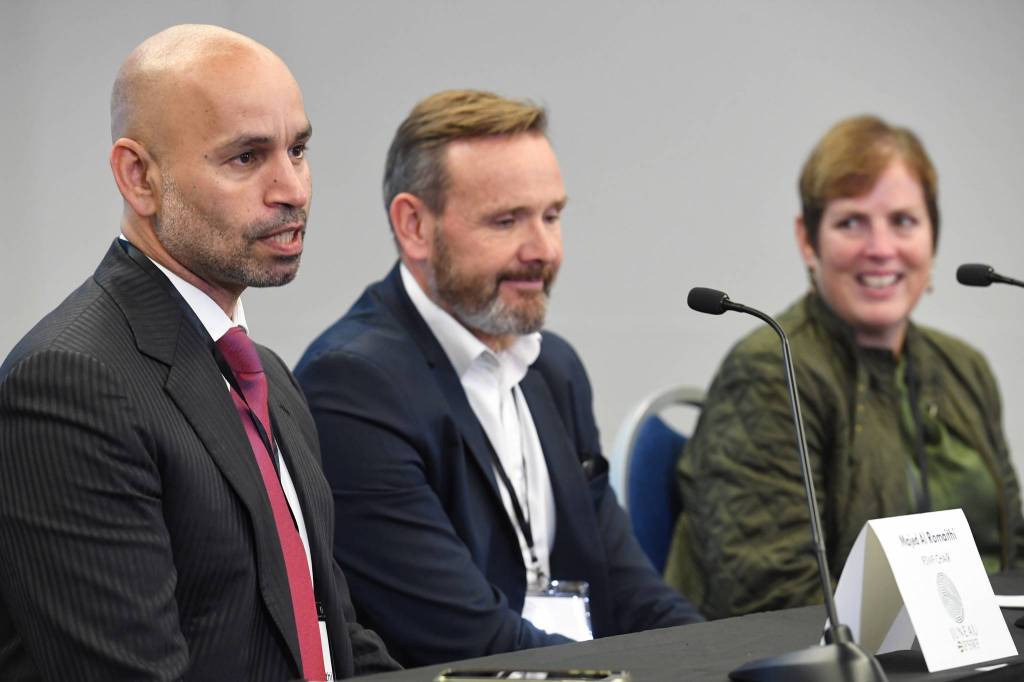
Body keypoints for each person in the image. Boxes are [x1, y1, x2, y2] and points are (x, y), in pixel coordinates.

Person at [0, 24, 398, 680]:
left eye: (297, 150)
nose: (292, 189)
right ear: (139, 178)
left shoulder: (266, 376)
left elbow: (332, 640)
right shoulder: (69, 383)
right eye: (246, 157)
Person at [294, 89, 703, 666]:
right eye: (506, 220)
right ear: (414, 226)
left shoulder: (553, 369)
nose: (543, 249)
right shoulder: (354, 387)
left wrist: (711, 658)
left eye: (552, 215)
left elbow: (627, 586)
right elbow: (464, 640)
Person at [664, 115, 1024, 619]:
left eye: (903, 221)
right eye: (851, 221)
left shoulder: (965, 368)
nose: (880, 249)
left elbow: (1015, 551)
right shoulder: (771, 370)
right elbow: (774, 598)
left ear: (933, 239)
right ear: (808, 240)